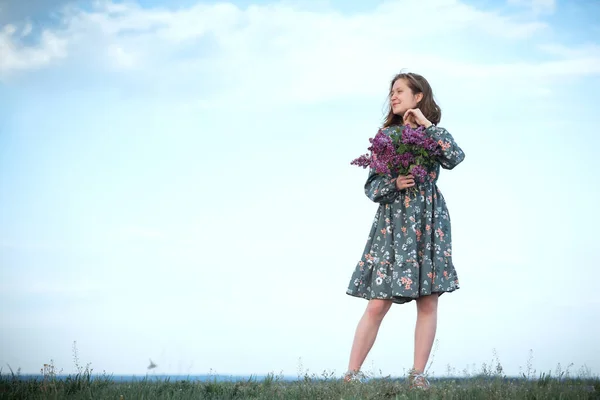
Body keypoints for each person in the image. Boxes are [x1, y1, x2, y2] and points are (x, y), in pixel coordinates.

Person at [344, 72, 465, 390]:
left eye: (399, 91)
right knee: (377, 302)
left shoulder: (432, 135)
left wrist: (426, 124)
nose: (393, 97)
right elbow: (371, 187)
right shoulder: (385, 138)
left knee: (428, 300)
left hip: (428, 222)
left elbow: (455, 157)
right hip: (393, 226)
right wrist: (394, 182)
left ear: (418, 96)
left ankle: (418, 375)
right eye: (391, 92)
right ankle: (351, 374)